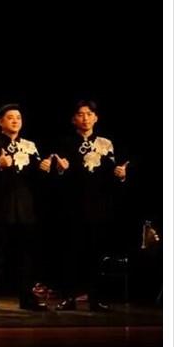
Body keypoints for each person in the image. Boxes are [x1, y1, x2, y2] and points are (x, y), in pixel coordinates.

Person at [53, 101, 128, 312]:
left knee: (96, 253)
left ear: (96, 118)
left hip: (98, 207)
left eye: (89, 114)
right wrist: (60, 170)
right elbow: (55, 179)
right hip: (72, 207)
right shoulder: (65, 143)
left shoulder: (105, 143)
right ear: (73, 119)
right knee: (71, 253)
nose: (85, 118)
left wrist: (121, 176)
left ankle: (96, 298)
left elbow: (113, 175)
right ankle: (69, 297)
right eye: (80, 114)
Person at [0, 103, 50, 311]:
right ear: (0, 121)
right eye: (10, 117)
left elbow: (37, 179)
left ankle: (26, 298)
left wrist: (44, 169)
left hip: (25, 208)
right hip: (0, 207)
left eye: (18, 117)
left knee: (25, 256)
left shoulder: (29, 145)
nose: (15, 121)